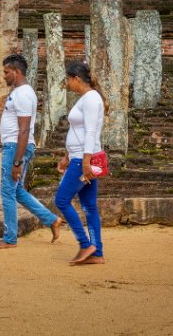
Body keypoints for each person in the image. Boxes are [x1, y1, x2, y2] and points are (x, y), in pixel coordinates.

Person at [0, 54, 62, 249]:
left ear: (16, 72)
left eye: (7, 72)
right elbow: (13, 128)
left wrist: (17, 162)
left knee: (7, 192)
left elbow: (24, 130)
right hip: (13, 145)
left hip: (17, 148)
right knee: (17, 191)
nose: (4, 76)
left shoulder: (23, 94)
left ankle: (9, 238)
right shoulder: (17, 93)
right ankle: (51, 220)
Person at [55, 61, 106, 265]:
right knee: (89, 206)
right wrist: (67, 156)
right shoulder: (85, 99)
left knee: (61, 200)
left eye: (68, 80)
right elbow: (79, 131)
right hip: (78, 157)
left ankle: (86, 245)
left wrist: (85, 162)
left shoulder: (91, 98)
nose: (67, 84)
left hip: (84, 159)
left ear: (76, 79)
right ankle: (97, 252)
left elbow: (91, 131)